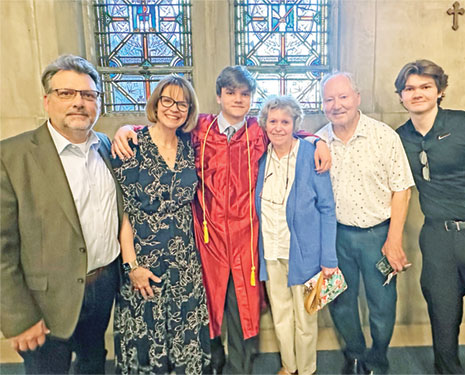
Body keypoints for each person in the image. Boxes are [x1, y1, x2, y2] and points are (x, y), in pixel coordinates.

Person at [111, 66, 332, 374]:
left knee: (242, 305)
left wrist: (317, 140)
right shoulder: (200, 129)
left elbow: (289, 132)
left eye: (244, 94)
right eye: (230, 93)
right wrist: (127, 129)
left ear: (252, 98)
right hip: (207, 237)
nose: (238, 99)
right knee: (209, 305)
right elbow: (160, 128)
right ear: (218, 96)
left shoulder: (258, 130)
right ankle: (213, 363)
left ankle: (243, 367)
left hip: (247, 237)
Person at [0, 54, 121, 374]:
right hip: (46, 300)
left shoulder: (106, 147)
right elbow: (2, 247)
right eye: (66, 93)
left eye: (88, 95)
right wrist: (18, 317)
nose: (78, 103)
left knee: (93, 362)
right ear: (47, 100)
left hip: (102, 284)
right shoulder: (11, 156)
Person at [394, 59, 465, 374]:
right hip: (437, 237)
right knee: (443, 320)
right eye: (409, 88)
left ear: (440, 91)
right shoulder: (399, 138)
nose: (417, 93)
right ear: (400, 96)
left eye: (425, 86)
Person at [316, 72, 414, 374]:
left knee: (382, 305)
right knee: (340, 302)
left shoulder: (384, 136)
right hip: (335, 239)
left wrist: (394, 239)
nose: (337, 105)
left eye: (343, 97)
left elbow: (402, 188)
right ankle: (355, 355)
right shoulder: (318, 141)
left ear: (357, 98)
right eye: (329, 99)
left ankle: (378, 357)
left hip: (379, 236)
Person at [111, 75, 211, 374]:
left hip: (184, 263)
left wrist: (312, 137)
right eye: (167, 100)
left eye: (182, 103)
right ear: (156, 102)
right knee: (146, 337)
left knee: (185, 337)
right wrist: (132, 267)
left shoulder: (189, 146)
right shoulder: (132, 145)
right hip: (145, 264)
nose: (174, 108)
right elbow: (124, 213)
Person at [255, 95, 338, 375]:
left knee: (305, 319)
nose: (278, 127)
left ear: (295, 124)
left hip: (305, 254)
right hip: (271, 251)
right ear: (264, 124)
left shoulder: (311, 154)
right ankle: (288, 367)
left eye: (285, 121)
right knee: (280, 315)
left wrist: (329, 257)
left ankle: (307, 369)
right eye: (273, 121)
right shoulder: (259, 159)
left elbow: (327, 209)